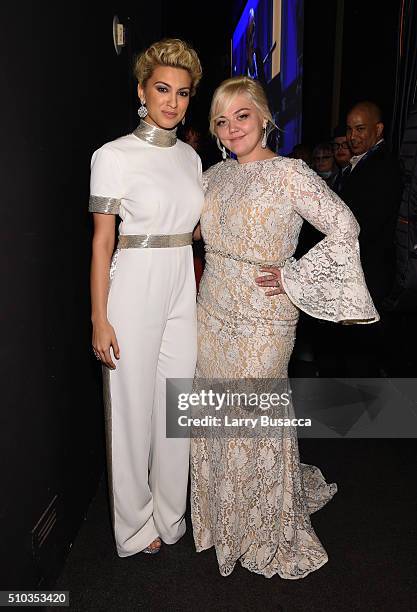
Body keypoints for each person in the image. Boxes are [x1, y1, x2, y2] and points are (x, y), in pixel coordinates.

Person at [190, 76, 378, 579]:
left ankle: (263, 524)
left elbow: (346, 225)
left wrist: (295, 275)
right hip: (212, 312)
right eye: (222, 122)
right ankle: (222, 517)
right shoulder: (212, 177)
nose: (232, 130)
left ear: (265, 116)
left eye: (242, 116)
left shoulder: (292, 173)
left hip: (264, 318)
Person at [89, 39, 203, 556]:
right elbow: (102, 241)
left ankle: (170, 514)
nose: (172, 101)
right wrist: (99, 317)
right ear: (142, 90)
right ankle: (134, 527)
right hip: (132, 284)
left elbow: (194, 230)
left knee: (177, 405)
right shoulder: (112, 155)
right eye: (162, 89)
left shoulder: (191, 158)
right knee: (131, 410)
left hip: (184, 282)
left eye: (182, 92)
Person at [338, 101, 403, 376]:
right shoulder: (361, 163)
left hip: (369, 273)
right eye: (350, 129)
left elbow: (367, 225)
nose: (353, 136)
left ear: (378, 129)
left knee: (360, 358)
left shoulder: (382, 166)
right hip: (360, 273)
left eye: (361, 129)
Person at [329, 126, 353, 194]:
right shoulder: (336, 176)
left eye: (345, 144)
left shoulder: (359, 172)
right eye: (336, 145)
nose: (340, 149)